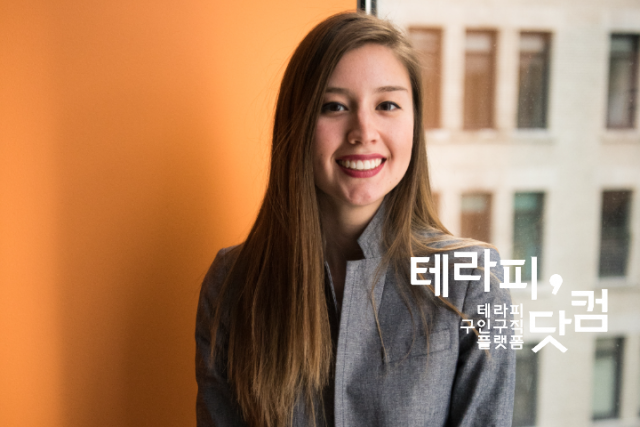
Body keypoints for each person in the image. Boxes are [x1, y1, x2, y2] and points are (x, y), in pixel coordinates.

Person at [196, 11, 515, 427]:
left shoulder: (474, 280)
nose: (363, 131)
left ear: (414, 123)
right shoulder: (232, 284)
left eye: (387, 105)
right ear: (297, 124)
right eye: (334, 106)